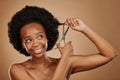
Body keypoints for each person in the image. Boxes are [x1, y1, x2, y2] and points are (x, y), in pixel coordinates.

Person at [8, 5, 118, 80]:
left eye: (40, 36)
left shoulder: (66, 62)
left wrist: (84, 28)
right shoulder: (17, 70)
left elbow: (110, 54)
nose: (36, 43)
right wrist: (65, 57)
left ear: (48, 37)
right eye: (28, 40)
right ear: (22, 44)